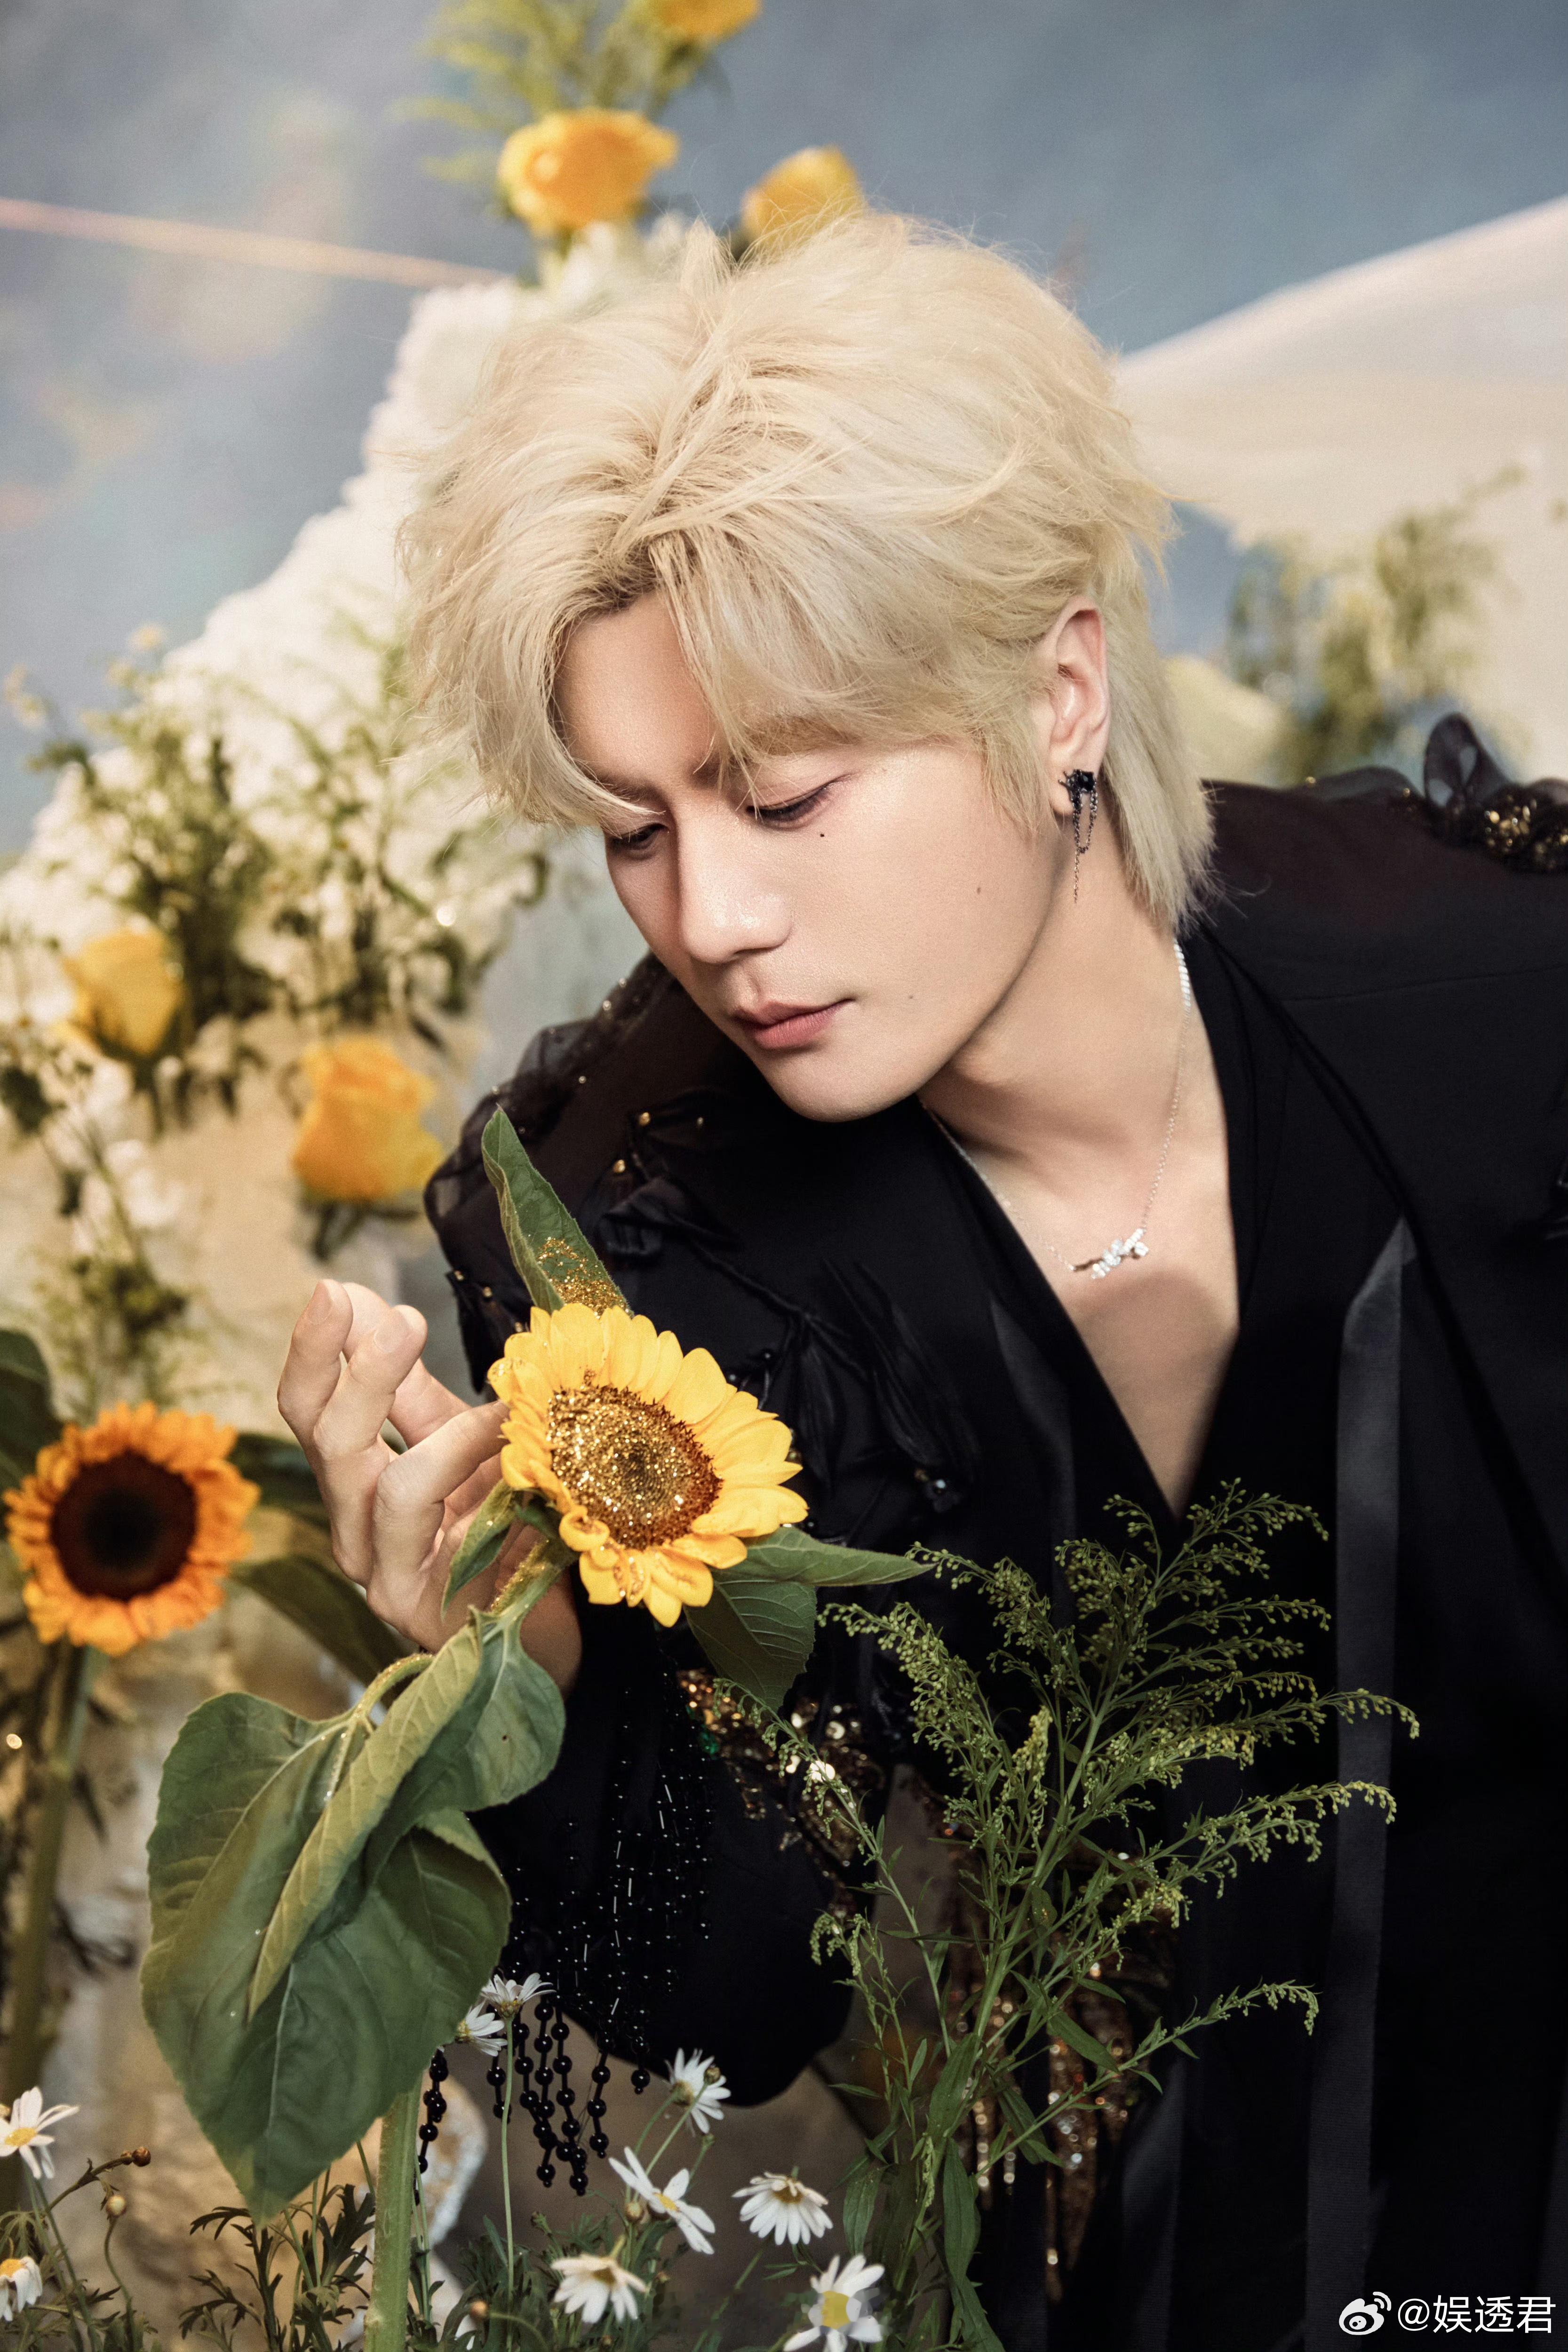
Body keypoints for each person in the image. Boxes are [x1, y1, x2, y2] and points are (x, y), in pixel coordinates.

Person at [276, 215, 1568, 2351]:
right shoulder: (643, 1249)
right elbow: (740, 1989)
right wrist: (531, 1682)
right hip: (1173, 2256)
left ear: (1061, 690)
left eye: (783, 797)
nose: (713, 916)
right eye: (634, 829)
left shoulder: (1497, 998)